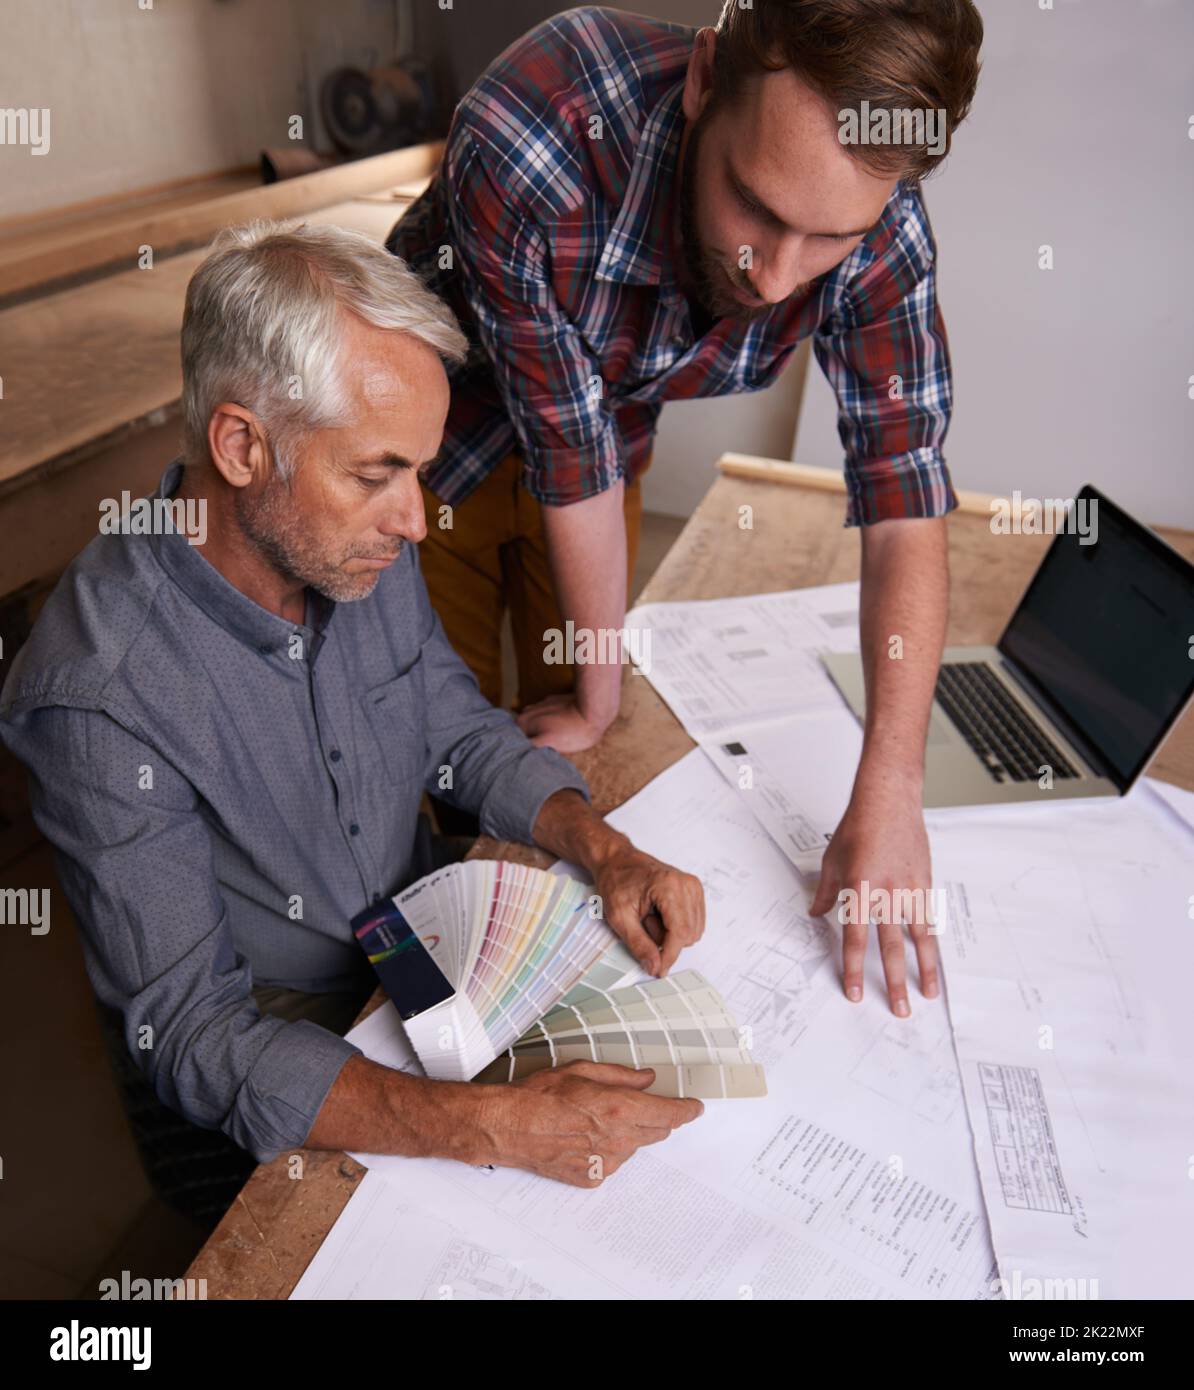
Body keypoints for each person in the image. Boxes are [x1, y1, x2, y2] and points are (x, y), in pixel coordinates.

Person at [0, 222, 705, 1187]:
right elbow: (200, 1037)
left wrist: (606, 850)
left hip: (418, 954)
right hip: (275, 1039)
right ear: (242, 445)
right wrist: (493, 1127)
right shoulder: (97, 695)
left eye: (418, 470)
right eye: (377, 475)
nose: (416, 520)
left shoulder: (350, 545)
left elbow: (452, 727)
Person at [387, 0, 983, 1016]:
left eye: (826, 237)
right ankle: (413, 996)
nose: (776, 274)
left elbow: (904, 498)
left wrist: (893, 784)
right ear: (705, 80)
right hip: (426, 450)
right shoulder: (537, 129)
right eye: (754, 204)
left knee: (582, 758)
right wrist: (597, 691)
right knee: (422, 751)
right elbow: (565, 451)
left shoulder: (883, 223)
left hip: (601, 442)